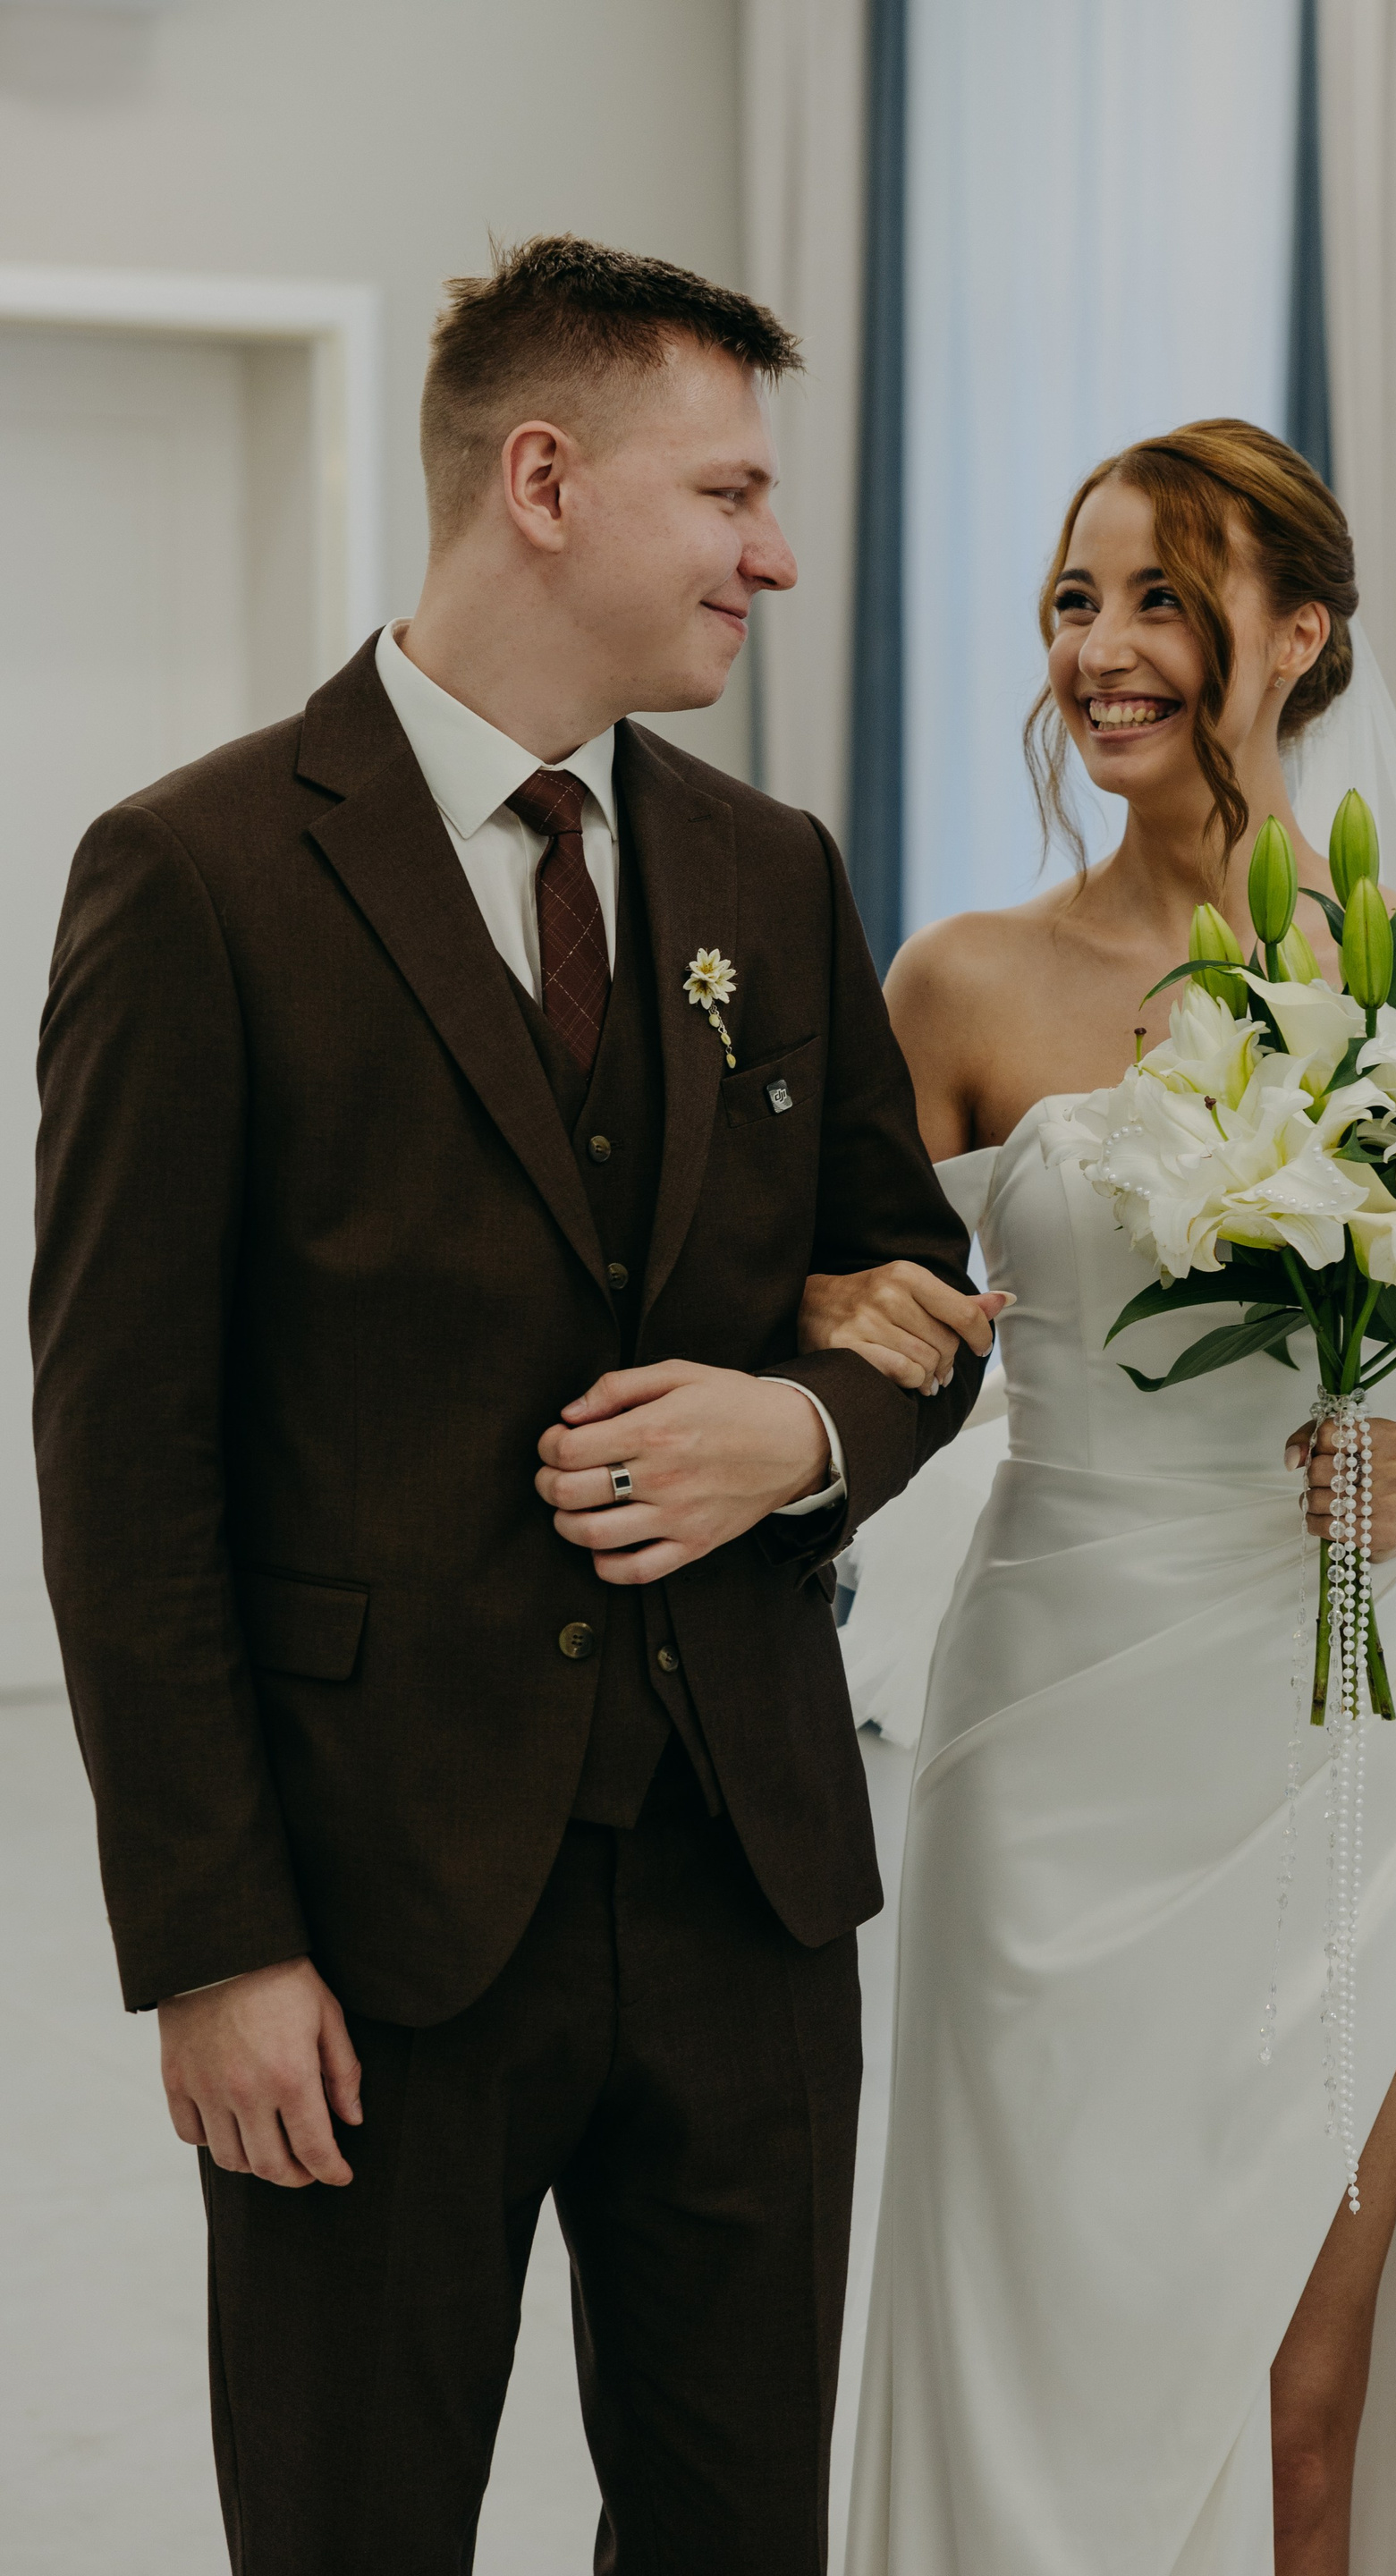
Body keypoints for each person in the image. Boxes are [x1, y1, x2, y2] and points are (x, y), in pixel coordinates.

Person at [30, 234, 994, 2575]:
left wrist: (804, 1438)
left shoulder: (771, 871)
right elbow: (120, 1457)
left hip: (750, 1891)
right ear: (543, 481)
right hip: (368, 1926)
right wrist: (214, 1946)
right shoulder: (197, 875)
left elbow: (916, 1297)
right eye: (730, 493)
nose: (776, 554)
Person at [800, 424, 1396, 2574]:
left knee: (1305, 2392)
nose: (1103, 647)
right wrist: (841, 1308)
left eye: (1164, 596)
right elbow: (848, 1310)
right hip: (1056, 1729)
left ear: (1300, 635)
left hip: (1349, 1741)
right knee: (1037, 2349)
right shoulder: (958, 982)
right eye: (1075, 600)